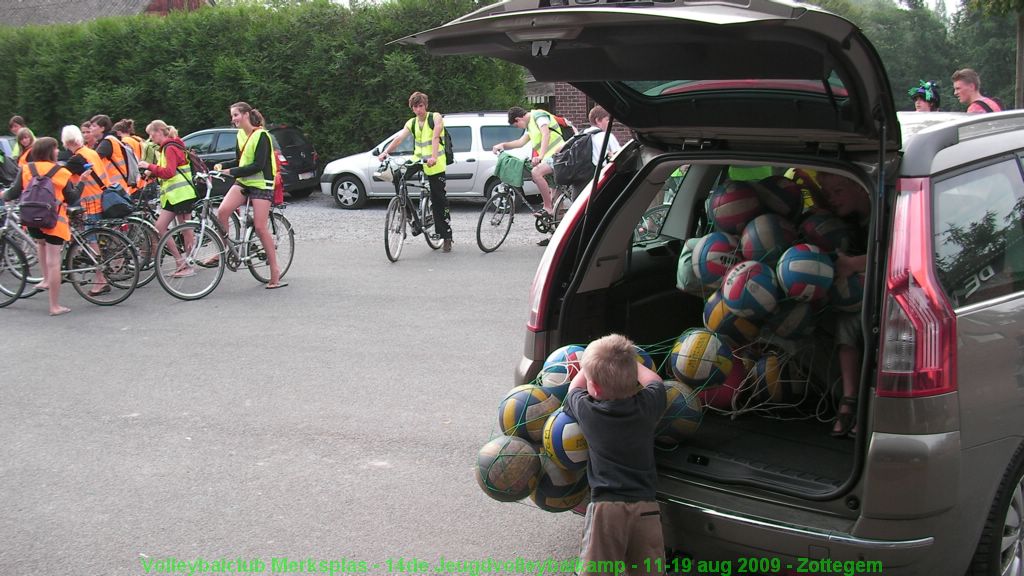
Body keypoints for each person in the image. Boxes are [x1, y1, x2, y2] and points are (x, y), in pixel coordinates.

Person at [563, 333, 666, 576]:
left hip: (606, 511)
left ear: (595, 387)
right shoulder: (647, 406)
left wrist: (585, 368)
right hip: (646, 508)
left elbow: (572, 390)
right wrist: (632, 365)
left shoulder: (590, 412)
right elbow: (656, 381)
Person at [813, 172, 870, 438]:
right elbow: (828, 208)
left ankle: (857, 405)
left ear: (860, 187)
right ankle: (849, 399)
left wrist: (853, 265)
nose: (833, 199)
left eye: (838, 192)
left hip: (891, 296)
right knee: (845, 321)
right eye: (829, 194)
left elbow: (899, 254)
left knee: (857, 323)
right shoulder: (852, 219)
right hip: (863, 296)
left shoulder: (889, 212)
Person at [2, 137, 85, 316]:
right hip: (54, 221)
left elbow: (14, 192)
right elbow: (72, 198)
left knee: (40, 244)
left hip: (31, 218)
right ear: (50, 151)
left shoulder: (26, 168)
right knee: (54, 262)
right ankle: (54, 306)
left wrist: (3, 195)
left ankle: (46, 279)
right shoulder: (61, 171)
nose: (58, 151)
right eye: (55, 149)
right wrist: (82, 182)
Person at [210, 101, 286, 289]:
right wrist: (222, 166)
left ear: (245, 115)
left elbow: (258, 165)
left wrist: (231, 172)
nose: (233, 119)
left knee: (260, 227)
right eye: (232, 115)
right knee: (222, 211)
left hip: (261, 183)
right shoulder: (240, 135)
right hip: (244, 182)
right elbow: (239, 160)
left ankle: (275, 270)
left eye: (236, 115)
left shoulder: (261, 135)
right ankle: (225, 248)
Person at [377, 91, 454, 252]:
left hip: (436, 163)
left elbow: (435, 137)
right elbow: (399, 139)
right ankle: (411, 218)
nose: (418, 109)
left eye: (421, 106)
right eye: (415, 107)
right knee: (397, 176)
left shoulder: (435, 117)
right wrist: (386, 152)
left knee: (439, 199)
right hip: (418, 159)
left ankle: (446, 236)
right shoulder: (411, 123)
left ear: (426, 106)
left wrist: (433, 157)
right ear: (411, 108)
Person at [138, 120, 198, 278]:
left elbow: (169, 172)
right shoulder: (170, 146)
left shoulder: (170, 147)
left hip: (181, 195)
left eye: (151, 135)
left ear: (159, 132)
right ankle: (180, 261)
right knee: (160, 227)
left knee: (185, 230)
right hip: (174, 196)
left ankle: (188, 264)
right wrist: (153, 171)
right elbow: (166, 169)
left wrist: (149, 166)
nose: (151, 139)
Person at [491, 107, 568, 222]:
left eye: (516, 125)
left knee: (536, 172)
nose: (518, 128)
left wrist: (540, 156)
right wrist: (503, 145)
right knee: (556, 199)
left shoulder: (538, 116)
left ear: (518, 119)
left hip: (559, 155)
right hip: (551, 158)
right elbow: (520, 142)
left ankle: (547, 207)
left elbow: (545, 133)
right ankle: (556, 228)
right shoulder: (530, 126)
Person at [89, 114, 137, 194]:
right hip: (118, 186)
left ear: (102, 128)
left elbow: (93, 159)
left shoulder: (107, 142)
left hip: (115, 187)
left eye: (93, 126)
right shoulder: (109, 140)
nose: (90, 128)